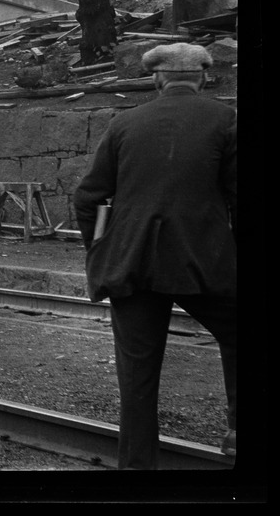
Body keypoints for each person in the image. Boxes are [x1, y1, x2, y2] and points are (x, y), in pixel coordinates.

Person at [73, 42, 237, 469]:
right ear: (202, 77)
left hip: (130, 263)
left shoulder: (125, 123)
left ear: (156, 79)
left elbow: (88, 197)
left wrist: (101, 249)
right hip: (201, 261)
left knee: (137, 372)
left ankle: (137, 469)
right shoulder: (227, 119)